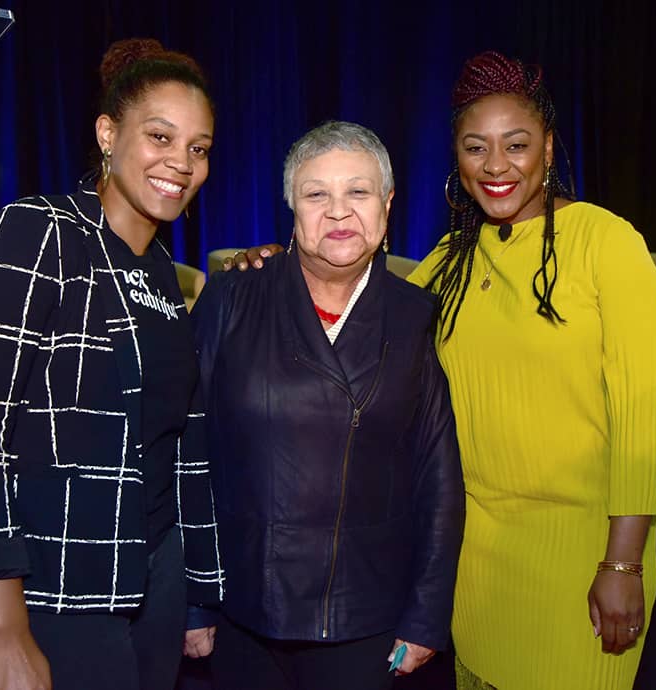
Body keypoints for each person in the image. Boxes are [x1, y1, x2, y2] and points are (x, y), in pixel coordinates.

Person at [0, 38, 223, 690]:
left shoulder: (162, 271)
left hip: (152, 580)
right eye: (161, 137)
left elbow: (173, 441)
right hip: (51, 590)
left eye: (198, 148)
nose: (181, 163)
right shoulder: (36, 232)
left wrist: (195, 589)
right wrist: (5, 629)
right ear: (108, 134)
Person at [404, 51, 656, 689]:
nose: (496, 165)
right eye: (476, 148)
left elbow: (638, 421)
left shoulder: (606, 242)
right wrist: (279, 269)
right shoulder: (451, 259)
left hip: (582, 558)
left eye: (516, 144)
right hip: (477, 561)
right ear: (457, 159)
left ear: (547, 148)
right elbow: (362, 323)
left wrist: (623, 565)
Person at [191, 120, 465, 690]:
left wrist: (427, 612)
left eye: (358, 191)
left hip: (363, 611)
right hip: (244, 604)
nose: (339, 212)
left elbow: (437, 478)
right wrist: (194, 599)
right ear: (292, 207)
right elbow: (184, 451)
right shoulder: (234, 297)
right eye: (317, 194)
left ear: (387, 204)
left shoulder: (413, 315)